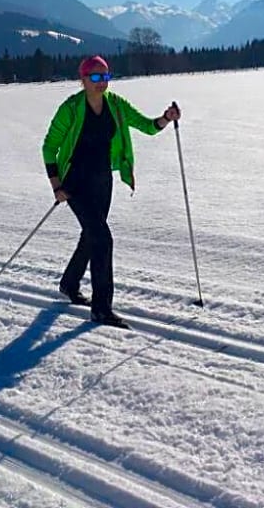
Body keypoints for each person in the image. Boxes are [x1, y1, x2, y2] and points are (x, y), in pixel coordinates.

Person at [42, 55, 180, 327]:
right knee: (103, 239)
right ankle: (101, 308)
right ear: (83, 80)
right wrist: (56, 185)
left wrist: (165, 118)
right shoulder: (71, 108)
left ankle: (69, 283)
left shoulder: (115, 105)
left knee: (92, 235)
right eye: (95, 77)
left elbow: (146, 126)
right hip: (74, 184)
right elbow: (49, 147)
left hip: (102, 180)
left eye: (105, 76)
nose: (101, 82)